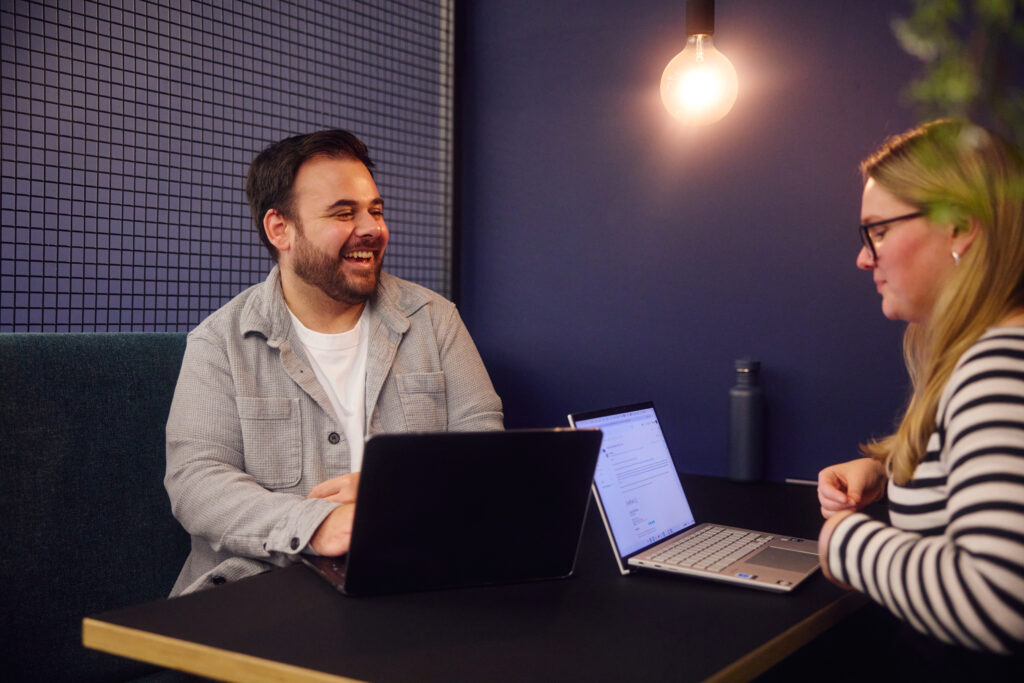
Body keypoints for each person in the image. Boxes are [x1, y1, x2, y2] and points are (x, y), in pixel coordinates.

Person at [165, 130, 504, 596]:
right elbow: (197, 484)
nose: (372, 228)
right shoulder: (218, 343)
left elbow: (487, 455)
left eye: (375, 210)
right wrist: (317, 524)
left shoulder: (435, 321)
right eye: (344, 213)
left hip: (419, 576)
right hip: (266, 587)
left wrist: (389, 494)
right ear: (279, 229)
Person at [816, 119, 1024, 658]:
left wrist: (845, 542)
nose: (865, 257)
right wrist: (891, 469)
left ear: (959, 226)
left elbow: (1000, 597)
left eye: (878, 230)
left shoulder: (999, 363)